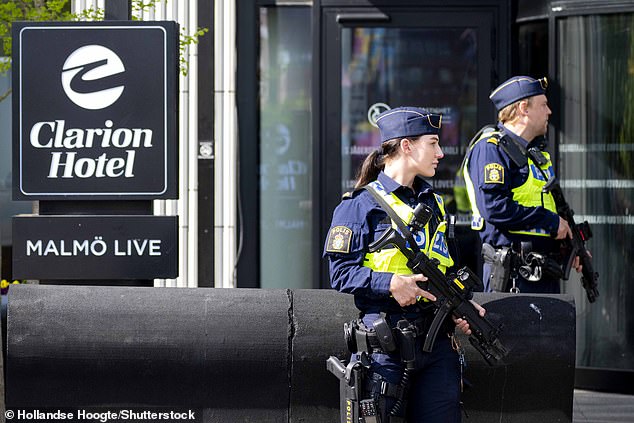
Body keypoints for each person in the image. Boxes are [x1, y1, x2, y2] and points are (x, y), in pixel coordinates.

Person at [324, 106, 485, 422]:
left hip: (437, 347)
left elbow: (446, 268)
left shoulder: (434, 204)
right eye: (433, 143)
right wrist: (391, 283)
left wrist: (462, 308)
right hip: (386, 346)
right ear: (407, 146)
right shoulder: (358, 206)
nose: (440, 152)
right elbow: (340, 273)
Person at [462, 76, 580, 294]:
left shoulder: (536, 154)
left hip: (543, 270)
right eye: (543, 105)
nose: (549, 112)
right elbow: (494, 207)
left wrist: (570, 244)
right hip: (512, 275)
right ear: (523, 108)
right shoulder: (491, 148)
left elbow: (550, 207)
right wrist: (551, 222)